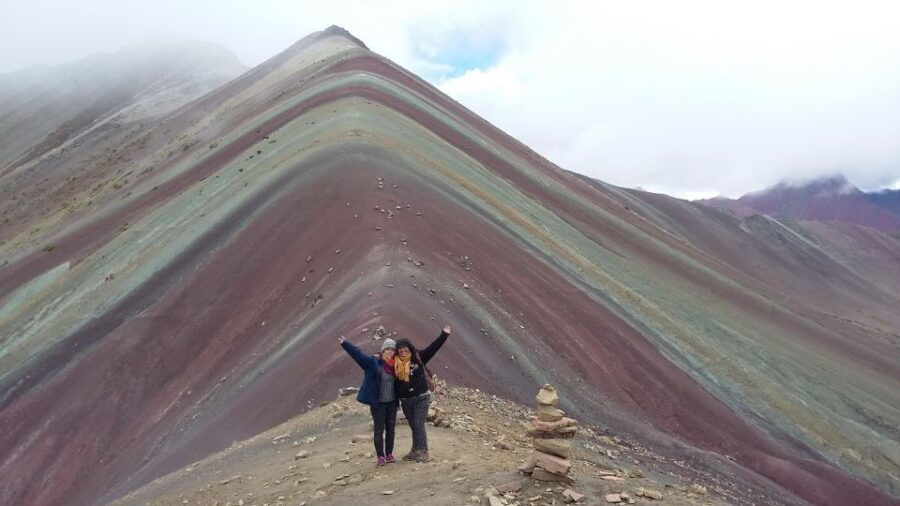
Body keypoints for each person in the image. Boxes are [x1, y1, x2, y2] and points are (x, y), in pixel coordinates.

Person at [394, 324, 451, 463]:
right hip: (406, 400)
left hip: (421, 397)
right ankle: (415, 450)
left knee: (418, 424)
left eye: (405, 347)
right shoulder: (395, 364)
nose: (403, 350)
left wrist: (444, 335)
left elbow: (433, 347)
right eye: (400, 348)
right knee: (414, 425)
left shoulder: (419, 357)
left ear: (409, 347)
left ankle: (423, 451)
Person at [339, 335, 399, 466]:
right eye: (387, 349)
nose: (390, 351)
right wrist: (346, 343)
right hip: (378, 404)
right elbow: (359, 355)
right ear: (382, 351)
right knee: (379, 430)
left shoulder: (396, 365)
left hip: (392, 403)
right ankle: (380, 457)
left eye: (392, 349)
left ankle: (389, 454)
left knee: (391, 430)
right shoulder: (373, 362)